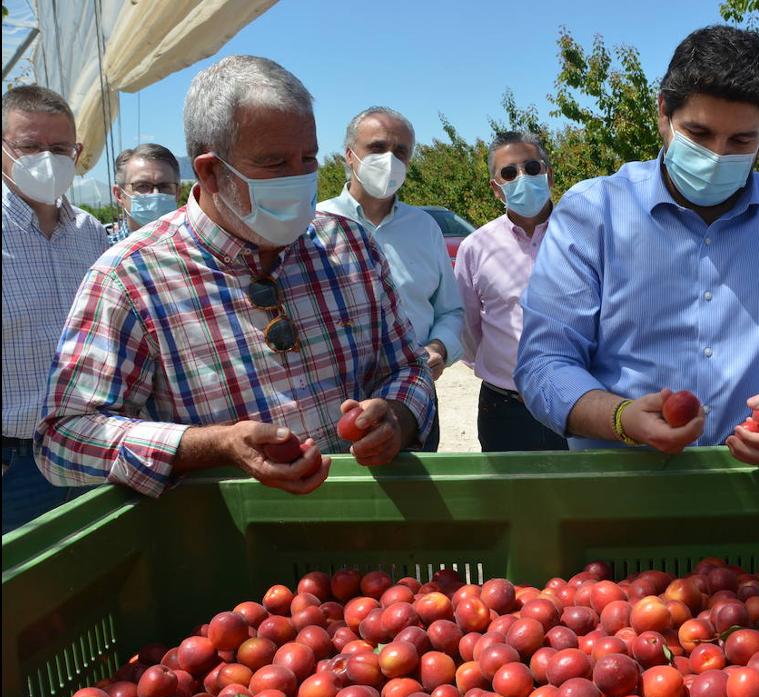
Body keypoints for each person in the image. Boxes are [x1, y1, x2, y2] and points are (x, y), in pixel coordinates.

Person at [35, 55, 435, 499]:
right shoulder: (129, 278)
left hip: (362, 530)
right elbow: (65, 438)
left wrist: (397, 417)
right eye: (274, 163)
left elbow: (408, 367)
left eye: (307, 158)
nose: (300, 178)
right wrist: (210, 446)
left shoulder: (351, 246)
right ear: (210, 171)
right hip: (232, 545)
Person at [515, 25, 759, 463]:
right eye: (698, 135)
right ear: (664, 113)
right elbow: (545, 362)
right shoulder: (594, 213)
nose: (717, 156)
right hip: (622, 488)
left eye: (742, 140)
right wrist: (622, 418)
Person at [318, 107, 463, 451]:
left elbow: (452, 311)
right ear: (349, 155)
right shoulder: (314, 225)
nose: (390, 159)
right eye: (378, 148)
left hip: (413, 401)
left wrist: (439, 347)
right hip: (334, 404)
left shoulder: (424, 228)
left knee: (416, 503)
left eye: (401, 152)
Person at [2, 85, 109, 532]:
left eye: (60, 148)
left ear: (77, 151)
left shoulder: (91, 233)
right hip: (14, 465)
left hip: (93, 451)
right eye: (29, 147)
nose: (46, 158)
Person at [454, 131, 568, 452]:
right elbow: (468, 331)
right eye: (509, 173)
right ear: (496, 188)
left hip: (577, 403)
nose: (522, 177)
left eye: (532, 168)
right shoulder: (476, 247)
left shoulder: (584, 234)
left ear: (549, 174)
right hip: (505, 409)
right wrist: (507, 367)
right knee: (509, 501)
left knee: (580, 499)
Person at [109, 143, 181, 245]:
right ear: (119, 195)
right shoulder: (102, 253)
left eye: (164, 186)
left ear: (178, 193)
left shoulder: (195, 251)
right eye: (142, 186)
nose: (155, 194)